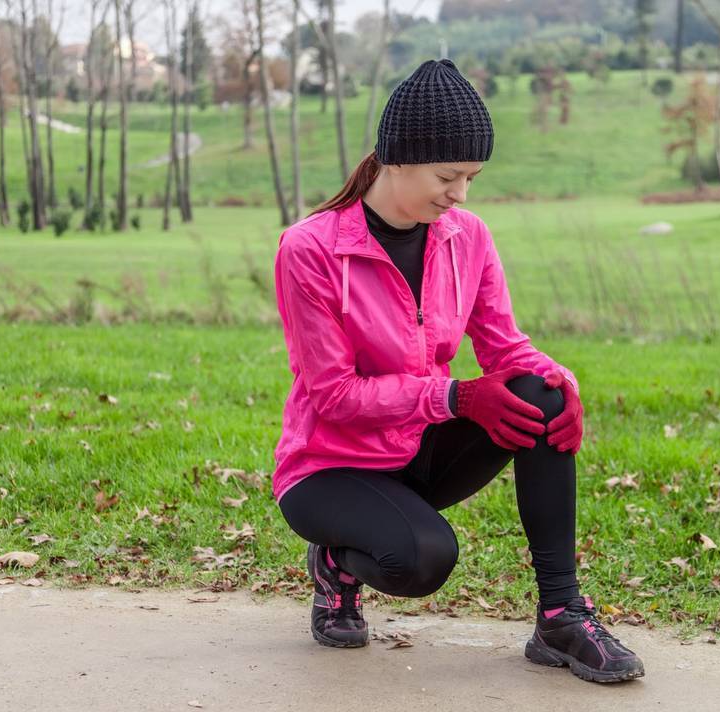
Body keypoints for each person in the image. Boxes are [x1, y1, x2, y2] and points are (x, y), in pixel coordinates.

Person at [271, 58, 644, 684]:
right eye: (449, 176)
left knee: (539, 395)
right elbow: (333, 395)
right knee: (421, 560)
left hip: (414, 451)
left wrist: (563, 382)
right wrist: (455, 397)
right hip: (328, 467)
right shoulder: (310, 249)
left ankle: (561, 613)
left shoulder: (466, 237)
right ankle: (336, 565)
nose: (460, 194)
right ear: (397, 159)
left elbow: (506, 348)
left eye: (471, 177)